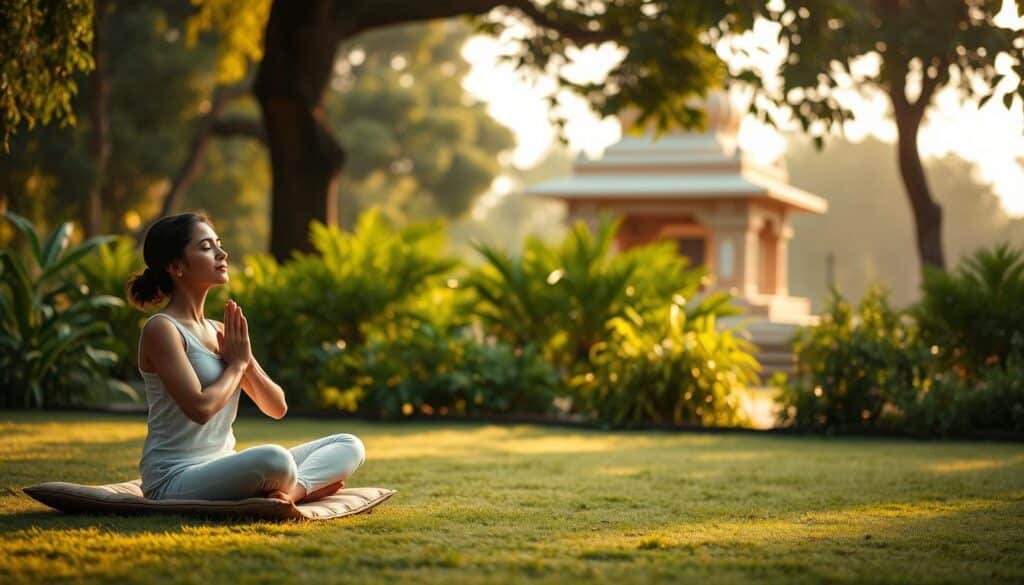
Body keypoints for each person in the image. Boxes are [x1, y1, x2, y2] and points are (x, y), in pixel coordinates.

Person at [127, 211, 365, 503]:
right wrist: (237, 365)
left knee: (349, 444)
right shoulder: (162, 329)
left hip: (223, 466)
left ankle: (291, 492)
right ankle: (298, 488)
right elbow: (199, 408)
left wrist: (247, 361)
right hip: (173, 477)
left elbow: (277, 407)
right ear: (176, 266)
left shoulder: (221, 331)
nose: (221, 253)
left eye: (218, 243)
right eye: (206, 247)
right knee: (274, 460)